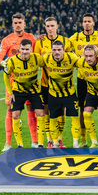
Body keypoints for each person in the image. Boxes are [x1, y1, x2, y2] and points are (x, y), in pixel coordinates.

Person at [0, 12, 37, 152]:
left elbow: (38, 55)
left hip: (30, 81)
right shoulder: (6, 40)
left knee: (31, 109)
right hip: (13, 82)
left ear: (24, 23)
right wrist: (5, 63)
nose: (18, 25)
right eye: (15, 23)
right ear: (12, 24)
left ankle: (35, 142)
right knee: (10, 110)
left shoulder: (31, 38)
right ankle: (8, 143)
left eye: (20, 22)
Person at [69, 13, 98, 147]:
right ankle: (83, 139)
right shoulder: (75, 37)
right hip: (83, 78)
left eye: (89, 21)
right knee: (83, 109)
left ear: (94, 23)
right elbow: (62, 44)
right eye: (84, 21)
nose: (86, 23)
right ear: (82, 24)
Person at [34, 17, 72, 148]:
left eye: (52, 25)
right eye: (48, 26)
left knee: (61, 110)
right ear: (45, 27)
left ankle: (59, 139)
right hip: (45, 83)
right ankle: (50, 140)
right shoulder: (40, 42)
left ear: (57, 26)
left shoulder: (65, 41)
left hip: (61, 85)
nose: (50, 28)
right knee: (46, 111)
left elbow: (70, 60)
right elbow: (36, 61)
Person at [3, 39, 45, 148]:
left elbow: (47, 65)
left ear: (31, 49)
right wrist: (10, 92)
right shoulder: (11, 61)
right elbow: (6, 76)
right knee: (15, 115)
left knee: (40, 113)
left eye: (27, 49)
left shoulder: (37, 58)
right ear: (19, 49)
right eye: (23, 49)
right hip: (18, 91)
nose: (25, 51)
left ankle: (40, 143)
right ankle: (20, 144)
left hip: (34, 91)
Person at [39, 40, 81, 148]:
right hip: (53, 94)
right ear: (51, 50)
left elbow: (84, 63)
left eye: (59, 50)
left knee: (75, 117)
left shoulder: (72, 57)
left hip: (70, 94)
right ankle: (55, 143)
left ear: (64, 50)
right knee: (52, 118)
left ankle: (75, 143)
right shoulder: (46, 58)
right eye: (54, 50)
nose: (56, 52)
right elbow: (32, 60)